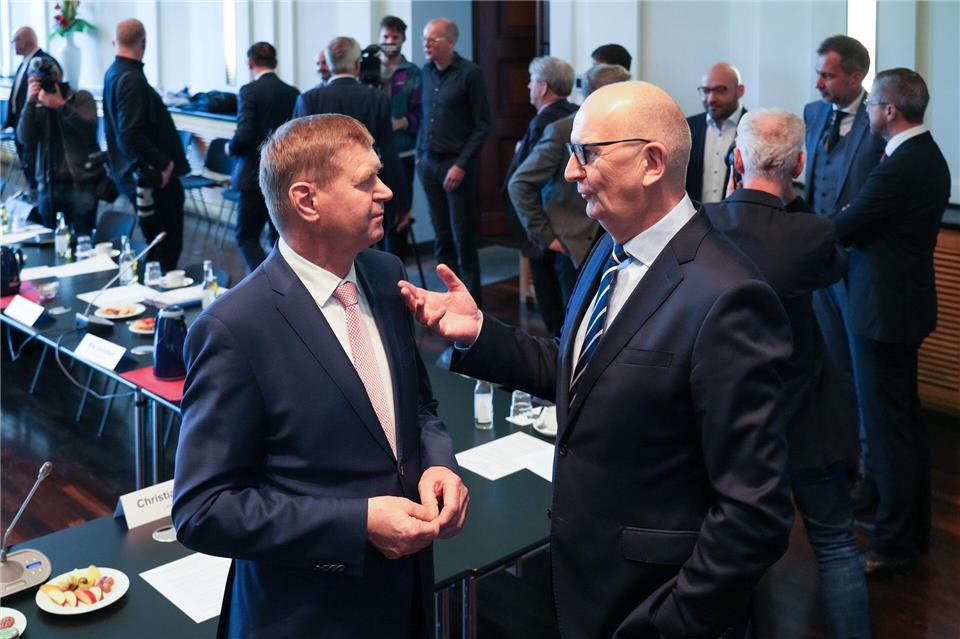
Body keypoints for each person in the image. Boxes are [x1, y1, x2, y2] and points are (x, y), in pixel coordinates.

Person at [399, 81, 794, 639]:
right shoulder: (611, 246)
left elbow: (755, 514)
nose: (568, 173)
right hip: (581, 582)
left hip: (650, 606)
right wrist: (481, 332)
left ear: (651, 162)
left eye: (586, 152)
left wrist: (664, 624)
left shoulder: (728, 298)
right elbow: (583, 370)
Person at [172, 114, 468, 638]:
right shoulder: (235, 328)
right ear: (307, 200)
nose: (387, 191)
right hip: (306, 612)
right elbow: (203, 509)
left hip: (406, 595)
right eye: (366, 181)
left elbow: (416, 408)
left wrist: (438, 467)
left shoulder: (384, 273)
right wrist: (357, 525)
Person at [705, 108, 869, 639]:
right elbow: (832, 267)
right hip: (805, 414)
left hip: (732, 422)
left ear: (735, 158)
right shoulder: (814, 234)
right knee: (836, 544)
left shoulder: (704, 226)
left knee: (740, 551)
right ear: (800, 162)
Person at [830, 68, 950, 575]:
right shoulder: (925, 154)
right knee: (902, 424)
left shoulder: (903, 164)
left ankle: (895, 544)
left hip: (882, 311)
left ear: (889, 111)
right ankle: (906, 528)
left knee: (889, 430)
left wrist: (847, 214)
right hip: (899, 305)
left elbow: (847, 224)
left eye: (874, 104)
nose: (870, 111)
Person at [803, 34, 885, 504]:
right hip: (817, 264)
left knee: (862, 373)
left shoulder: (880, 123)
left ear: (855, 77)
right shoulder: (814, 114)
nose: (819, 83)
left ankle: (869, 473)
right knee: (827, 365)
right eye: (819, 73)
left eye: (828, 75)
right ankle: (838, 454)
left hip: (859, 267)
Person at [507, 63, 629, 336]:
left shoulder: (626, 130)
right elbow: (520, 183)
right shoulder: (563, 131)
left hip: (612, 241)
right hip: (571, 246)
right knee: (569, 327)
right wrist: (546, 236)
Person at [294, 37, 409, 251]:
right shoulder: (377, 98)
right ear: (358, 65)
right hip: (368, 189)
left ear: (328, 64)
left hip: (324, 193)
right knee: (372, 254)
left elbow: (299, 157)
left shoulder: (308, 99)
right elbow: (389, 152)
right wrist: (402, 202)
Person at [102, 19, 189, 270]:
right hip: (151, 178)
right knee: (165, 248)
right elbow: (130, 134)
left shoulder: (114, 73)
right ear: (144, 43)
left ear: (115, 42)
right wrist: (165, 164)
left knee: (159, 245)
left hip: (133, 173)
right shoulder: (130, 79)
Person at [502, 56, 579, 337]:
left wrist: (537, 231)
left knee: (555, 311)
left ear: (544, 87)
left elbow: (523, 181)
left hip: (546, 229)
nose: (527, 86)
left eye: (532, 81)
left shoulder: (544, 123)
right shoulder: (577, 114)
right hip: (574, 228)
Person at [417, 18, 491, 306]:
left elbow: (483, 126)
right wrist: (419, 153)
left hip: (457, 165)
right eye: (425, 39)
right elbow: (424, 118)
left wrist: (461, 165)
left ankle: (473, 304)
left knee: (464, 238)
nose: (426, 45)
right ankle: (449, 298)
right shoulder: (425, 72)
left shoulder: (469, 74)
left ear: (450, 42)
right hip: (429, 163)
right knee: (441, 236)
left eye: (432, 40)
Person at [226, 42, 299, 271]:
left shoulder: (249, 91)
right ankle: (284, 281)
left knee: (246, 236)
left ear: (250, 62)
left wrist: (231, 148)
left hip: (253, 174)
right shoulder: (292, 93)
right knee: (279, 237)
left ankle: (264, 279)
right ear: (275, 62)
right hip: (284, 173)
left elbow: (245, 135)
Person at [16, 64, 100, 234]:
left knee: (82, 242)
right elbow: (24, 138)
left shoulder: (81, 98)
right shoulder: (37, 106)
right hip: (47, 186)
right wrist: (30, 103)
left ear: (59, 77)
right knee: (50, 244)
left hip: (79, 185)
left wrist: (61, 105)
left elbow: (89, 128)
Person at [379, 15, 421, 257]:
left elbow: (421, 114)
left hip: (402, 152)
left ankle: (396, 278)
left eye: (395, 37)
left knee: (398, 218)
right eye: (385, 36)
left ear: (403, 39)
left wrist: (402, 122)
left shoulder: (412, 72)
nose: (390, 41)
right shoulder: (367, 69)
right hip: (371, 155)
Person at [4, 27, 62, 195]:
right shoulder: (24, 62)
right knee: (27, 168)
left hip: (36, 130)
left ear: (26, 41)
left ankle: (38, 204)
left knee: (35, 171)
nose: (13, 44)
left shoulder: (44, 63)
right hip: (19, 125)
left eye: (15, 40)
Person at [685, 62, 745, 203]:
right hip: (695, 220)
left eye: (720, 90)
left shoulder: (756, 129)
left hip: (739, 220)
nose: (711, 99)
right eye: (706, 91)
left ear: (740, 90)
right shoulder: (687, 127)